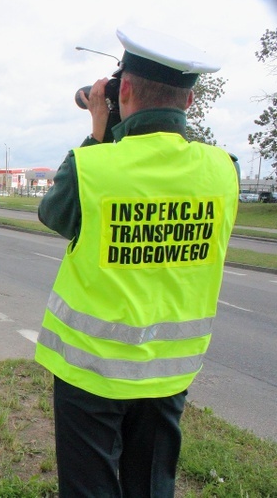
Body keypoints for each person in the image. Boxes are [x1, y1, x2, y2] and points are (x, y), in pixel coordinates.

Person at [35, 26, 239, 497]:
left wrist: (100, 129)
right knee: (150, 487)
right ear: (188, 103)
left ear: (122, 90)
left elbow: (55, 214)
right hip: (168, 375)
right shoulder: (224, 170)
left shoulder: (92, 167)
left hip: (91, 374)